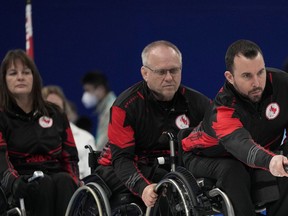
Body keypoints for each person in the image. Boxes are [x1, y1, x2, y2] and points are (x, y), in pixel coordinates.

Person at [95, 40, 210, 210]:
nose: (169, 78)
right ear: (145, 73)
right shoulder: (125, 106)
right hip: (119, 167)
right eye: (161, 72)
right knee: (166, 185)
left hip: (170, 166)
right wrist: (142, 187)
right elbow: (121, 160)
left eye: (174, 70)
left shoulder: (198, 103)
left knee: (185, 182)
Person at [182, 39, 288, 216]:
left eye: (260, 72)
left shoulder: (282, 83)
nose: (257, 82)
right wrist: (271, 161)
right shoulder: (222, 110)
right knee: (232, 169)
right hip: (206, 156)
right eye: (247, 76)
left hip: (262, 149)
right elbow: (242, 146)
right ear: (229, 77)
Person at [0, 49, 81, 216]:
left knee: (65, 180)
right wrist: (14, 183)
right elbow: (1, 161)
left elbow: (70, 156)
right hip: (21, 182)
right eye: (13, 73)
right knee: (42, 184)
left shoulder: (55, 113)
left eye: (26, 72)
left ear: (34, 77)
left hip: (57, 178)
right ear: (4, 80)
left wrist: (74, 180)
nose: (20, 77)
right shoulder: (2, 116)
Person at [42, 85, 96, 179]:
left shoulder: (85, 138)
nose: (54, 112)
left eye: (57, 107)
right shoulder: (32, 138)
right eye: (49, 107)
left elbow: (91, 176)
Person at [81, 71, 116, 151]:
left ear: (100, 89)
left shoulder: (110, 109)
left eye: (88, 90)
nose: (86, 95)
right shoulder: (105, 108)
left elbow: (103, 145)